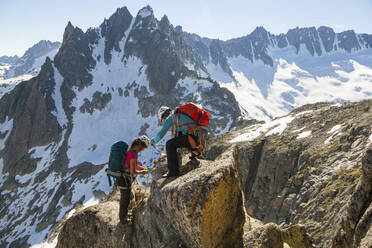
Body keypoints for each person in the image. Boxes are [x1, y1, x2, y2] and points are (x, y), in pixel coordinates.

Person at [151, 106, 200, 178]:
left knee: (169, 144)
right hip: (197, 136)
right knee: (175, 141)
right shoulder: (178, 117)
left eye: (163, 118)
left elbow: (161, 134)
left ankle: (173, 171)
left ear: (164, 114)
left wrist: (152, 141)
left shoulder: (170, 118)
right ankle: (194, 152)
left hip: (193, 137)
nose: (164, 120)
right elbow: (179, 137)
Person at [118, 135, 150, 224]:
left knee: (125, 197)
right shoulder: (133, 153)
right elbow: (132, 171)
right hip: (124, 178)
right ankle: (123, 220)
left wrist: (142, 168)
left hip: (122, 177)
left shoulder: (130, 151)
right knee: (125, 199)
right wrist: (141, 172)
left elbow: (134, 165)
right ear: (139, 145)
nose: (143, 149)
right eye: (143, 147)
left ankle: (123, 216)